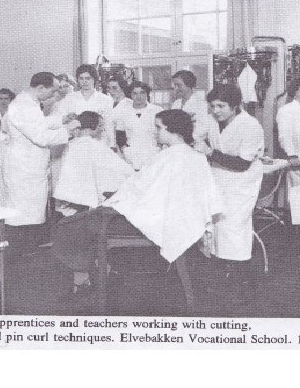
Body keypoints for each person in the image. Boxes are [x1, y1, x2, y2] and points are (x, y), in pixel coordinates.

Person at [53, 110, 222, 290]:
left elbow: (143, 190)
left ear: (174, 130)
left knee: (69, 225)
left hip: (157, 221)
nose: (155, 132)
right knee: (84, 221)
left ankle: (84, 277)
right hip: (177, 220)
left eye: (158, 128)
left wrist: (117, 199)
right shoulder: (193, 156)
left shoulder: (170, 156)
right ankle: (88, 271)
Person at [194, 84, 265, 300]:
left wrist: (209, 152)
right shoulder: (212, 120)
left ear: (235, 105)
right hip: (219, 180)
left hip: (241, 183)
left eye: (221, 106)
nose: (216, 110)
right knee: (217, 228)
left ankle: (242, 283)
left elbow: (242, 164)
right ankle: (222, 277)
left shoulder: (250, 126)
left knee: (235, 229)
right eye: (213, 106)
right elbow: (195, 135)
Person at [0, 72, 80, 249]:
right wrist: (69, 131)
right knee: (22, 215)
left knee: (30, 212)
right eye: (53, 91)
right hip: (24, 168)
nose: (54, 95)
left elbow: (38, 123)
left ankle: (27, 250)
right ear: (41, 88)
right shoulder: (24, 106)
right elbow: (40, 136)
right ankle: (20, 254)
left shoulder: (30, 103)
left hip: (29, 165)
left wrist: (61, 120)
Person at [53, 110, 134, 291]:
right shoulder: (94, 146)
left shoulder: (69, 144)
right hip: (88, 209)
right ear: (95, 128)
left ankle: (81, 279)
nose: (103, 131)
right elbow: (123, 172)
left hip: (68, 206)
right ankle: (93, 274)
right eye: (102, 127)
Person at [114, 81, 163, 170]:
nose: (139, 97)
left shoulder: (157, 110)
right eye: (135, 93)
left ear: (147, 94)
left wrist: (158, 148)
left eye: (142, 93)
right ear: (130, 95)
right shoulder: (124, 112)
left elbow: (164, 131)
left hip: (153, 154)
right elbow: (119, 134)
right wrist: (125, 150)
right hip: (131, 156)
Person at [171, 69, 209, 144]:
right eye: (175, 85)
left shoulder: (202, 105)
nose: (175, 89)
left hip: (194, 146)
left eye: (179, 85)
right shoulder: (176, 104)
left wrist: (186, 140)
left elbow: (205, 130)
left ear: (189, 85)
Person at [106, 75, 132, 149]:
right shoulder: (107, 103)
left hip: (123, 147)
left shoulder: (130, 105)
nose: (111, 91)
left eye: (114, 88)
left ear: (122, 88)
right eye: (109, 88)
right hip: (107, 146)